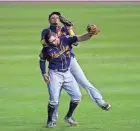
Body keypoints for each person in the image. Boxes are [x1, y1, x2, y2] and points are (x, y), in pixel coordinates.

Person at [40, 12, 111, 123]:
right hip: (57, 63)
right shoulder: (46, 32)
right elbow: (44, 44)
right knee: (55, 95)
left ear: (60, 19)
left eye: (56, 17)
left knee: (84, 81)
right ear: (49, 20)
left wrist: (70, 29)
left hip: (70, 60)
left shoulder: (64, 29)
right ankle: (53, 119)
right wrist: (58, 34)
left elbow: (76, 42)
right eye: (52, 17)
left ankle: (101, 102)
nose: (54, 18)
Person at [39, 27, 97, 127]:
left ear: (56, 36)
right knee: (54, 100)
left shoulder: (65, 39)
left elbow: (80, 38)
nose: (54, 42)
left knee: (77, 97)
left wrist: (89, 35)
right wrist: (44, 73)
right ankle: (50, 121)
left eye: (55, 39)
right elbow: (42, 60)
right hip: (55, 74)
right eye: (51, 42)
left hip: (67, 73)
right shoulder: (46, 49)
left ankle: (68, 117)